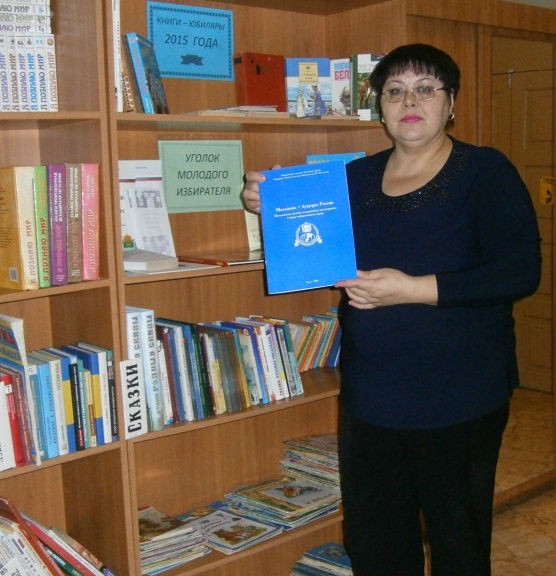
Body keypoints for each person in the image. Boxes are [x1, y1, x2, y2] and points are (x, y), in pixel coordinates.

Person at [241, 43, 541, 576]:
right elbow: (313, 245)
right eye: (395, 91)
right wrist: (268, 204)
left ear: (451, 103)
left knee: (457, 543)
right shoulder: (353, 178)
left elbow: (519, 273)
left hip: (461, 395)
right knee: (375, 544)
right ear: (380, 107)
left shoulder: (485, 172)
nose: (410, 101)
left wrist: (414, 289)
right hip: (372, 395)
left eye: (426, 89)